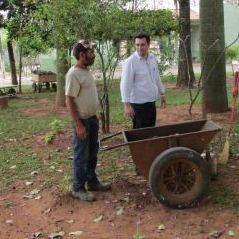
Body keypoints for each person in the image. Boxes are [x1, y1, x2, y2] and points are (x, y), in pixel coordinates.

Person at [65, 40, 111, 202]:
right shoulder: (73, 74)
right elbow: (69, 100)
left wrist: (94, 115)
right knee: (81, 155)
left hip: (91, 119)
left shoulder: (85, 71)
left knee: (92, 154)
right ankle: (77, 187)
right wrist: (78, 124)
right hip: (82, 122)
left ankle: (91, 181)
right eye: (91, 53)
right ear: (82, 55)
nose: (93, 55)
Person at [120, 33, 166, 129]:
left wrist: (162, 93)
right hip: (138, 106)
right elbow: (125, 84)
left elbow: (156, 77)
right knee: (140, 135)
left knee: (151, 132)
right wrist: (127, 105)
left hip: (151, 103)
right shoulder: (130, 62)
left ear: (148, 45)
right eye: (137, 45)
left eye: (142, 44)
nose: (140, 48)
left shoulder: (152, 59)